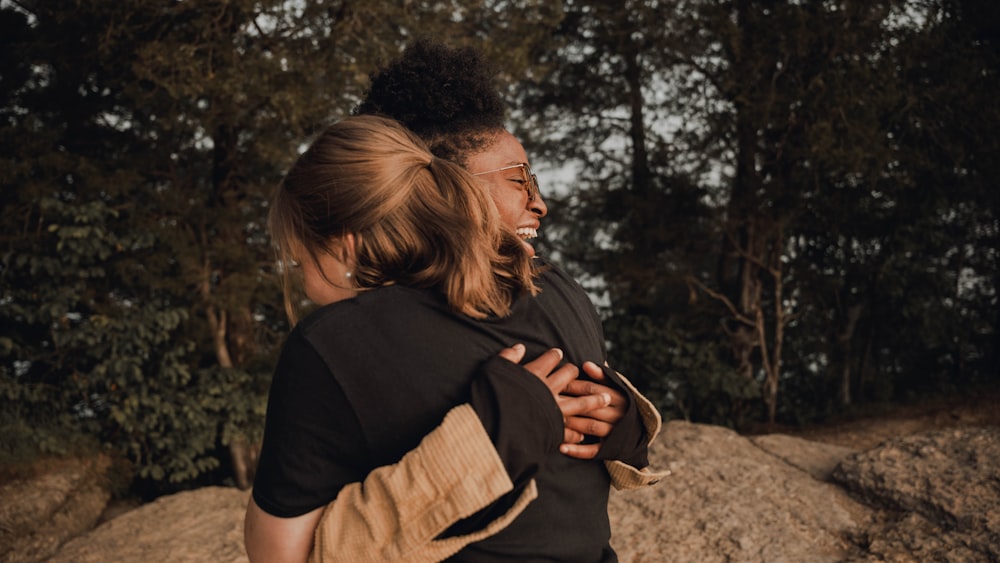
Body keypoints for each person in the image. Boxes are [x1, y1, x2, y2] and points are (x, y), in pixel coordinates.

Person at [244, 115, 657, 562]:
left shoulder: (330, 343)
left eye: (299, 262)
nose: (303, 285)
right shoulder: (554, 288)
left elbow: (280, 556)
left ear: (346, 246)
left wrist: (477, 453)